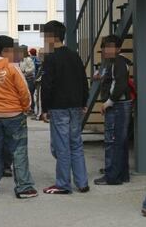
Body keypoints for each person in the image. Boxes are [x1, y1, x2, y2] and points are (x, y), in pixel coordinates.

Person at [0, 35, 37, 199]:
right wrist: (26, 108)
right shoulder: (12, 68)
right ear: (5, 51)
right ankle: (24, 187)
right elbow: (24, 91)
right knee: (18, 150)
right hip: (14, 114)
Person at [41, 20, 89, 194]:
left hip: (58, 107)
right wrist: (84, 102)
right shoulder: (74, 56)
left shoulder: (50, 58)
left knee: (61, 147)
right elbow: (83, 80)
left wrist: (44, 109)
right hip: (76, 106)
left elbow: (47, 85)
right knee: (76, 144)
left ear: (51, 37)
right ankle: (82, 182)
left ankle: (62, 184)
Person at [94, 35, 132, 186]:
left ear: (118, 49)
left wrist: (108, 102)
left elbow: (120, 84)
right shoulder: (115, 62)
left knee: (113, 141)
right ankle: (121, 174)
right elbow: (114, 80)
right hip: (121, 105)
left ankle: (112, 176)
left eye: (110, 47)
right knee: (120, 142)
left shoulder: (118, 62)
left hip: (118, 106)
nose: (106, 49)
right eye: (105, 46)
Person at [19, 46, 36, 113]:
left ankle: (31, 108)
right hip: (23, 78)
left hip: (29, 79)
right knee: (24, 94)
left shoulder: (28, 59)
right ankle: (27, 108)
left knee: (30, 94)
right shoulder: (21, 59)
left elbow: (32, 68)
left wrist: (25, 71)